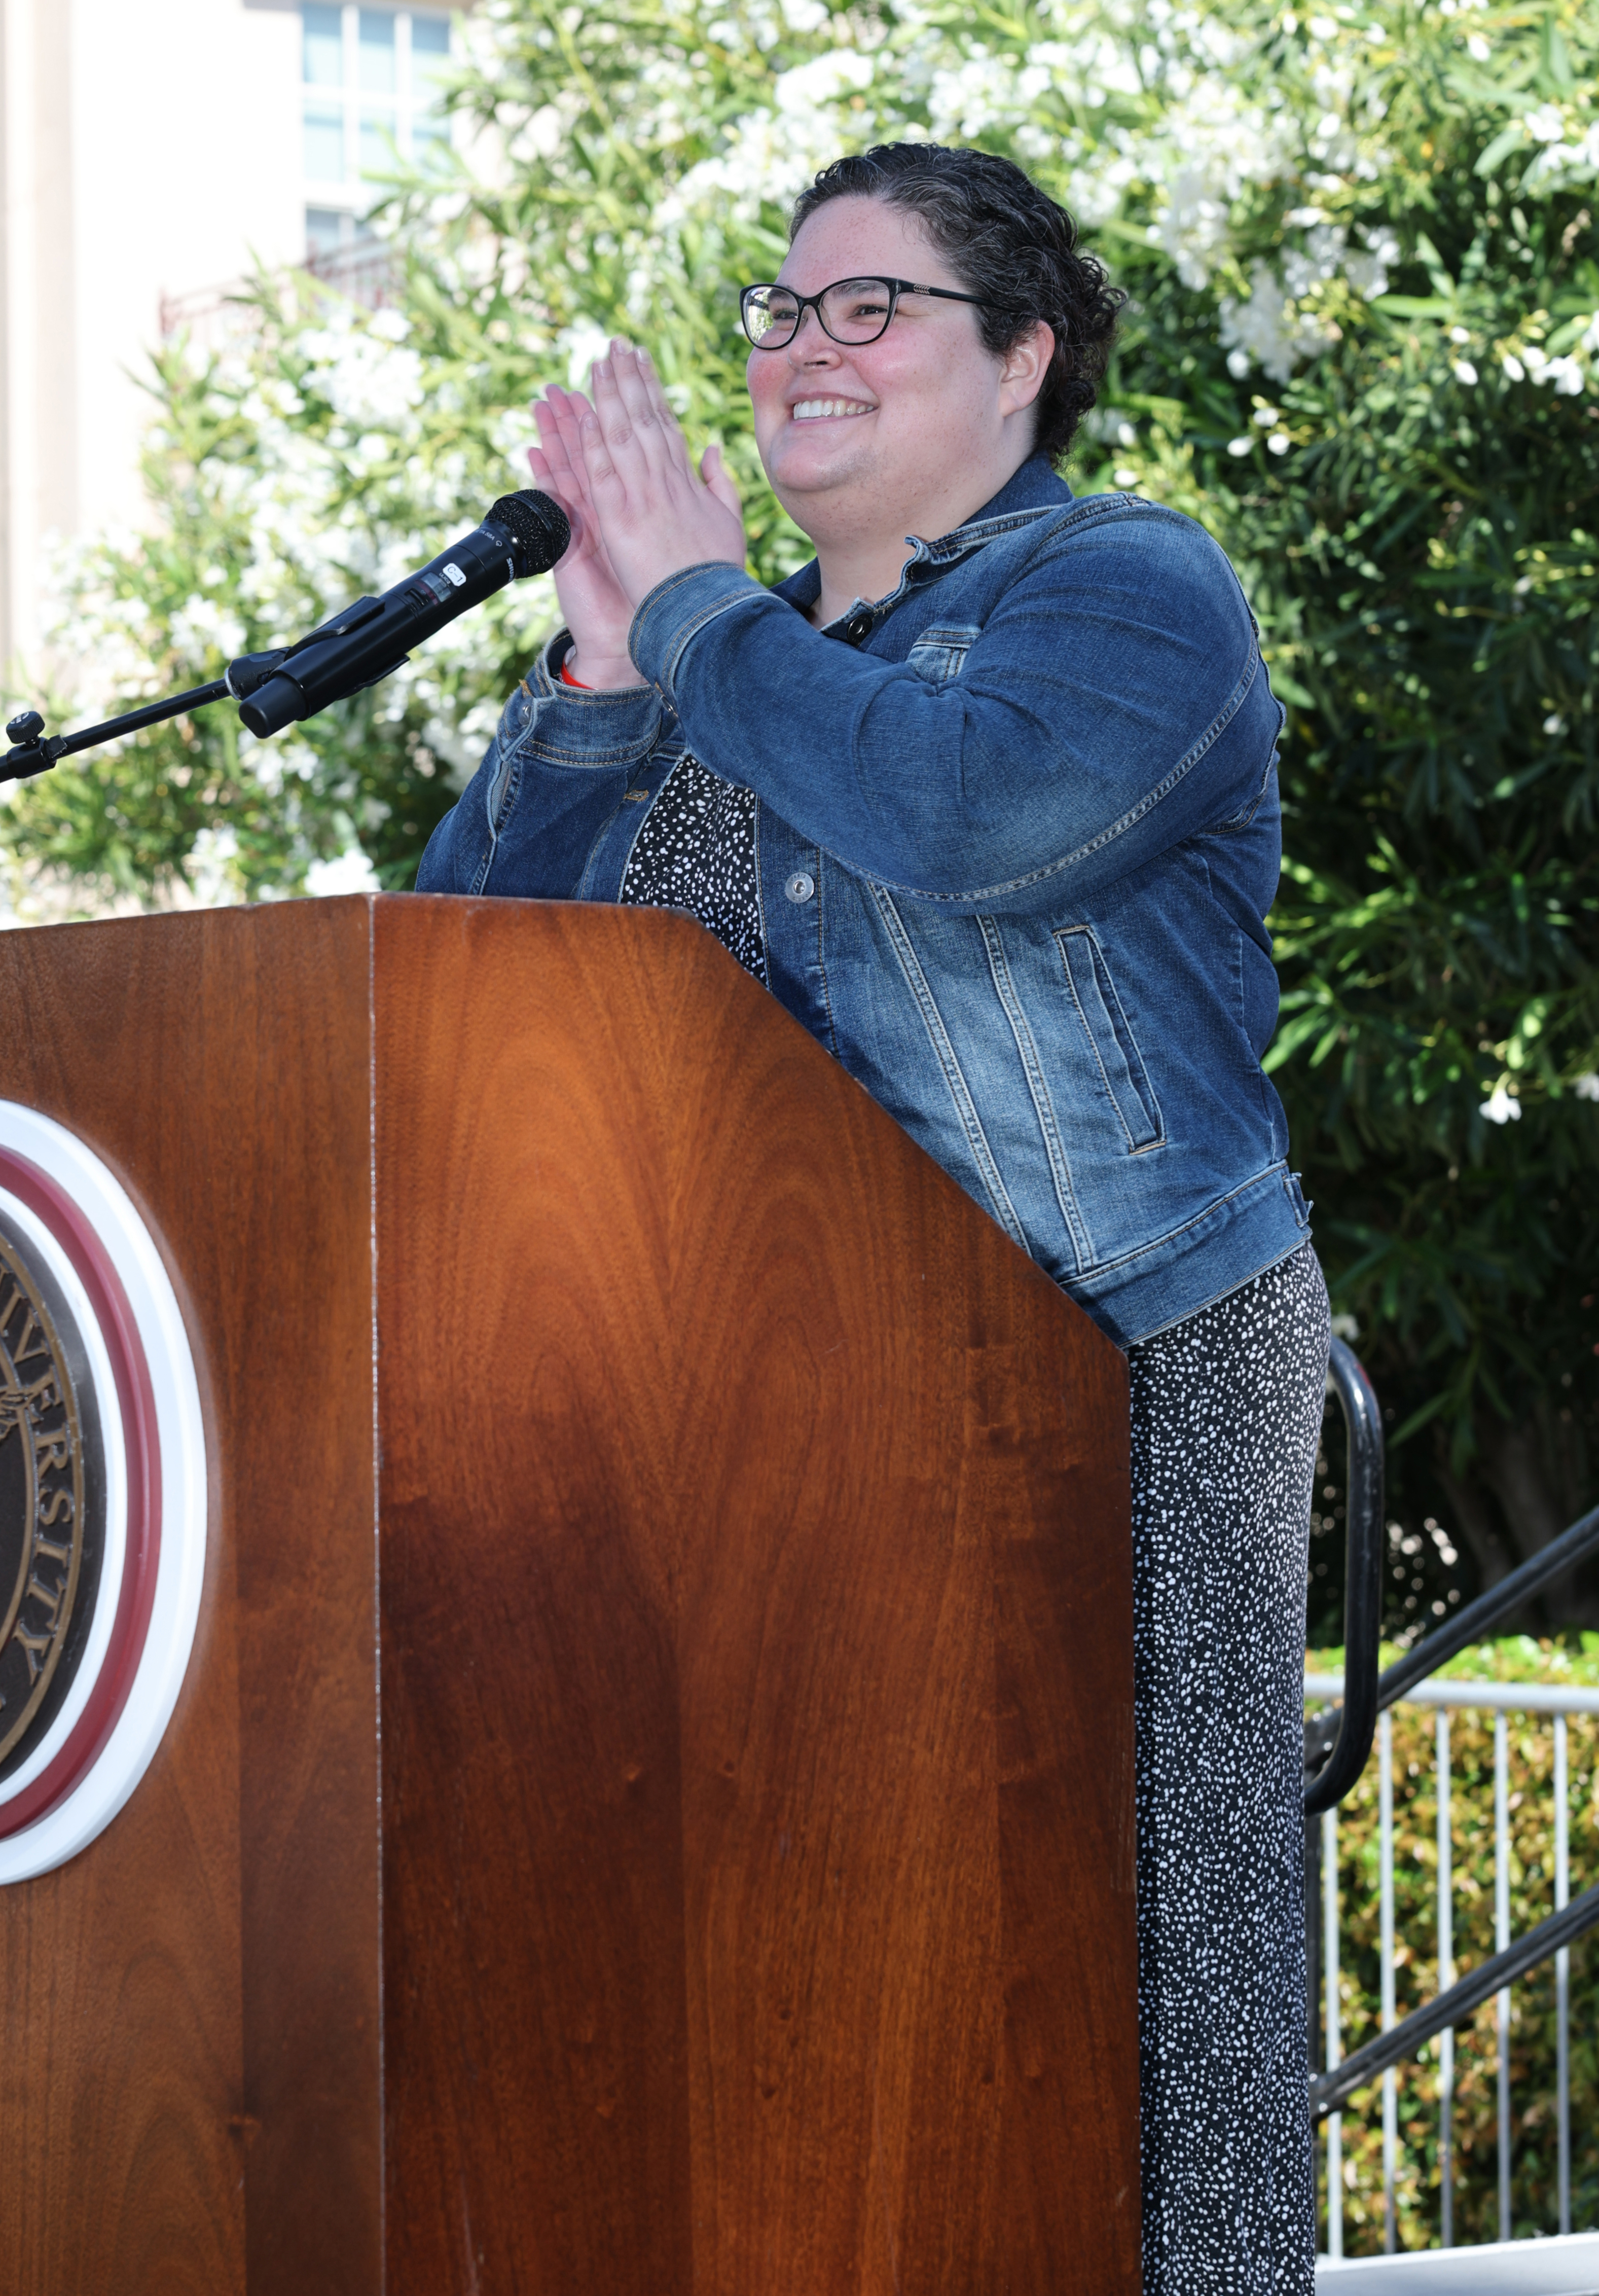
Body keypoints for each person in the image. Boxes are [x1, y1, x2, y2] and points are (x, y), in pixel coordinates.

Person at [418, 139, 1328, 2295]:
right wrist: (599, 674)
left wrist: (699, 610)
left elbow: (960, 813)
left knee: (1138, 1962)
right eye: (777, 309)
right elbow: (457, 990)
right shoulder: (711, 671)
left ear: (1018, 358)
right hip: (750, 1425)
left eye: (867, 307)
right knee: (799, 1964)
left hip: (1112, 1363)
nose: (798, 348)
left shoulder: (1122, 589)